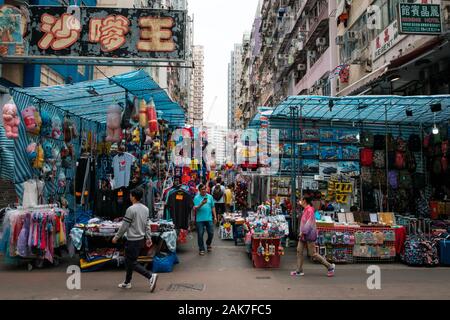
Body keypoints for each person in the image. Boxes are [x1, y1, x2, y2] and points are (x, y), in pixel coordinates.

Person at [112, 187, 158, 291]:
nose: (129, 197)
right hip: (140, 240)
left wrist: (116, 237)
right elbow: (147, 225)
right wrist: (148, 237)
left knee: (131, 262)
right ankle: (127, 282)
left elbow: (124, 226)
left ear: (133, 197)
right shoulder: (145, 209)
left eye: (130, 195)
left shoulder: (131, 209)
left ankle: (150, 276)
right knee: (130, 261)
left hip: (132, 240)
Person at [291, 196, 336, 277]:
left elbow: (309, 223)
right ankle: (299, 270)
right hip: (303, 235)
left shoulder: (310, 210)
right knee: (299, 251)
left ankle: (330, 266)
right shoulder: (306, 210)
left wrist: (303, 232)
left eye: (301, 200)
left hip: (309, 234)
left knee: (313, 254)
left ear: (304, 201)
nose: (300, 201)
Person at [193, 184, 217, 255]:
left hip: (209, 218)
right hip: (200, 219)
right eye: (202, 189)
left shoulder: (210, 197)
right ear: (199, 190)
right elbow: (195, 209)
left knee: (211, 233)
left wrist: (215, 217)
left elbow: (213, 207)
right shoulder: (196, 198)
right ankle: (201, 248)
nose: (204, 190)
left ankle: (208, 243)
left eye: (205, 189)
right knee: (200, 234)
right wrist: (201, 204)